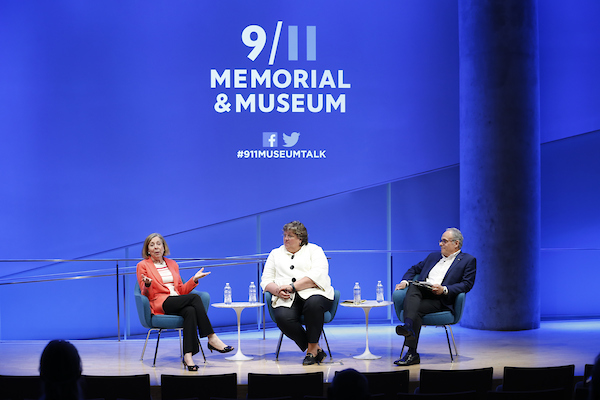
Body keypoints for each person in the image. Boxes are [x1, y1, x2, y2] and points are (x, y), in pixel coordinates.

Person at [136, 233, 233, 371]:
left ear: (164, 247)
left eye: (158, 244)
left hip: (176, 299)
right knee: (195, 298)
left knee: (190, 311)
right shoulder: (143, 265)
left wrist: (194, 279)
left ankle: (188, 356)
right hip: (160, 302)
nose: (156, 247)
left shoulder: (172, 264)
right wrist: (147, 284)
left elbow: (181, 290)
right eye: (152, 245)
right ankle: (211, 337)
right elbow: (145, 294)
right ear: (147, 250)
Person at [393, 227, 476, 366]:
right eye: (440, 241)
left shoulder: (468, 260)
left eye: (444, 241)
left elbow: (467, 284)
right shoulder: (433, 257)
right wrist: (405, 282)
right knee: (414, 286)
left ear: (456, 243)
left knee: (414, 310)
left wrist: (444, 289)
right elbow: (414, 269)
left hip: (441, 299)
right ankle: (409, 335)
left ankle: (411, 347)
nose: (440, 244)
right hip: (422, 293)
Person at [261, 221, 335, 365]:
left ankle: (311, 352)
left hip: (315, 293)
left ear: (300, 238)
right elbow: (266, 280)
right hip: (287, 297)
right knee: (282, 318)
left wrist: (292, 287)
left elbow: (317, 275)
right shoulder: (275, 254)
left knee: (313, 304)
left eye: (290, 236)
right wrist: (277, 290)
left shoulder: (315, 250)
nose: (286, 239)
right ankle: (314, 348)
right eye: (284, 235)